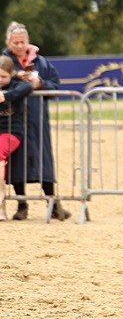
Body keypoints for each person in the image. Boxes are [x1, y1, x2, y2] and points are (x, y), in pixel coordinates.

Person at [2, 22, 66, 220]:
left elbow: (56, 86)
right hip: (13, 120)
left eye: (22, 42)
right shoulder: (4, 61)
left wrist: (40, 84)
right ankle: (22, 205)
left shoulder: (42, 62)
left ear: (28, 41)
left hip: (38, 119)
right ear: (8, 42)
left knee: (44, 160)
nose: (19, 46)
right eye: (15, 42)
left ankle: (53, 203)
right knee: (17, 163)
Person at [0, 55, 32, 221]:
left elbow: (27, 87)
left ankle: (1, 206)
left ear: (11, 74)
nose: (0, 80)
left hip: (12, 132)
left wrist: (7, 96)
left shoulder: (17, 85)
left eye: (3, 77)